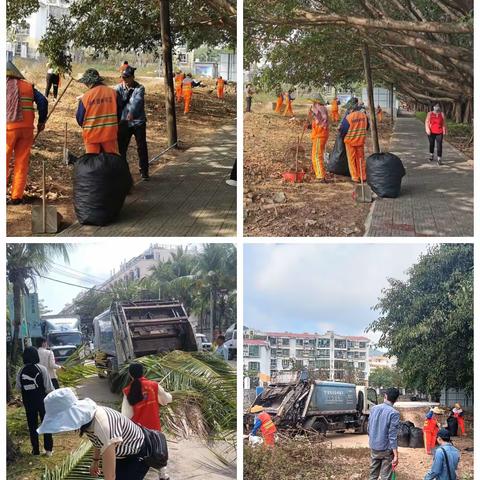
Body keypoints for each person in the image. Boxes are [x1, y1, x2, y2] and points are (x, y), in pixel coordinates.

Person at [38, 388, 168, 480]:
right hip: (121, 454)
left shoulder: (103, 426)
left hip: (138, 454)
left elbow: (109, 476)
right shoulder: (88, 418)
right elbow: (98, 441)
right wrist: (95, 461)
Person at [7, 60, 48, 205]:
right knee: (21, 162)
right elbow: (43, 101)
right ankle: (16, 197)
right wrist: (41, 121)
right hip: (26, 130)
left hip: (7, 130)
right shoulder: (28, 86)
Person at [121, 363, 172, 480]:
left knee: (138, 456)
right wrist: (169, 397)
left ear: (130, 375)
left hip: (138, 430)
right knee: (159, 450)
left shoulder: (127, 390)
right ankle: (163, 475)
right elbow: (166, 399)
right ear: (143, 372)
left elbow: (126, 415)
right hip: (154, 428)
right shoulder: (154, 385)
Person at [16, 346, 54, 456]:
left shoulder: (20, 371)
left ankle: (35, 450)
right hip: (43, 402)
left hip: (28, 403)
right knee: (46, 424)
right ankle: (48, 450)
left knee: (32, 426)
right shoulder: (42, 369)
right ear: (36, 356)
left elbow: (18, 388)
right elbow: (49, 387)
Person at [76, 68, 122, 154]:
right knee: (111, 160)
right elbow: (119, 114)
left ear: (89, 82)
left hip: (91, 136)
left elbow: (80, 119)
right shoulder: (113, 93)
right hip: (109, 134)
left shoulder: (86, 97)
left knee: (92, 163)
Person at [115, 66, 150, 180]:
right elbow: (106, 93)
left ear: (133, 77)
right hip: (124, 123)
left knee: (141, 147)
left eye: (127, 77)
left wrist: (132, 113)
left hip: (138, 122)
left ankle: (144, 171)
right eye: (123, 77)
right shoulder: (118, 88)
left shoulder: (139, 88)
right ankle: (123, 172)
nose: (125, 79)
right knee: (121, 148)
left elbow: (137, 101)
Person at [367, 387, 400, 480]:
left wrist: (374, 441)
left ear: (385, 396)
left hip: (374, 447)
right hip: (386, 450)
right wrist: (396, 455)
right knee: (386, 477)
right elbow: (392, 436)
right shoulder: (394, 413)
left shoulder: (373, 409)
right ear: (396, 399)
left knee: (373, 475)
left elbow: (368, 429)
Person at [339, 104, 369, 183]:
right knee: (360, 159)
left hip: (350, 141)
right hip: (360, 140)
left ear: (351, 109)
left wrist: (342, 136)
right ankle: (363, 176)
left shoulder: (349, 117)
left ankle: (355, 177)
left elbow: (343, 130)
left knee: (351, 160)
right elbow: (367, 127)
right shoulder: (364, 116)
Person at [308, 94, 330, 182]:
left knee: (317, 155)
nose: (312, 103)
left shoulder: (319, 108)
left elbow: (319, 119)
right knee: (315, 154)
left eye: (313, 101)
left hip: (319, 135)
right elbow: (317, 120)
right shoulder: (321, 108)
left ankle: (321, 176)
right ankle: (317, 172)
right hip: (320, 134)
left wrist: (312, 112)